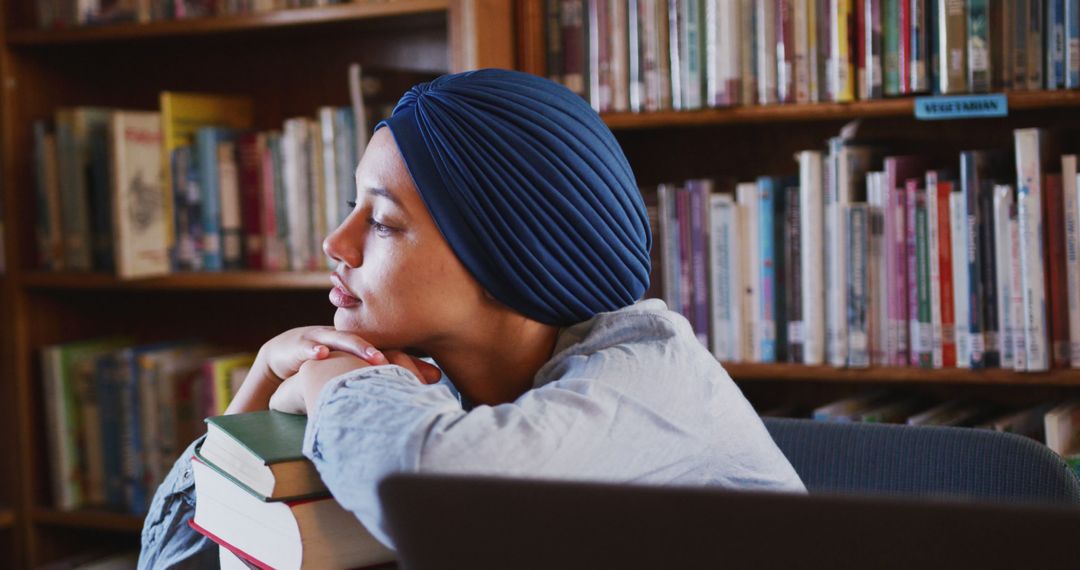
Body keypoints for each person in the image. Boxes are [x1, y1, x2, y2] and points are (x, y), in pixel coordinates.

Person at [138, 68, 805, 568]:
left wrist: (337, 376)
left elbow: (435, 495)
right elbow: (169, 560)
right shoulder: (442, 379)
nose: (335, 244)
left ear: (506, 255)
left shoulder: (655, 375)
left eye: (383, 222)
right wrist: (260, 384)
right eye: (350, 207)